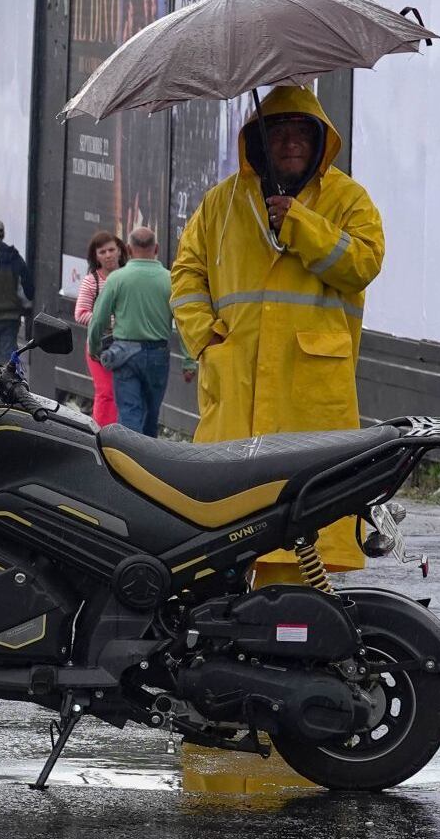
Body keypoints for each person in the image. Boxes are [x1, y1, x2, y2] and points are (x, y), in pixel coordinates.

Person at [172, 85, 384, 586]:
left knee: (303, 533)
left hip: (308, 398)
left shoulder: (347, 199)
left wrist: (301, 224)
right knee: (223, 534)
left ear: (320, 142)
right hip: (236, 391)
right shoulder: (221, 203)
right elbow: (186, 273)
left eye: (301, 133)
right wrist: (205, 338)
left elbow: (364, 264)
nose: (290, 143)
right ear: (258, 142)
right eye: (279, 132)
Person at [86, 227, 174, 436]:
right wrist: (189, 360)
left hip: (125, 355)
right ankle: (148, 460)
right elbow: (183, 319)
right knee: (151, 415)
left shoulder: (117, 279)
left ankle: (128, 461)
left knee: (129, 413)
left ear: (128, 249)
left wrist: (94, 346)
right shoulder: (171, 280)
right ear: (157, 249)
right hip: (158, 355)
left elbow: (99, 318)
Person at [74, 230, 128, 427]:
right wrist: (109, 321)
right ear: (95, 256)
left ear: (120, 251)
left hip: (128, 344)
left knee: (125, 391)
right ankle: (103, 433)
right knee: (106, 392)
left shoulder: (129, 276)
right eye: (102, 252)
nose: (108, 255)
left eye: (111, 250)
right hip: (101, 347)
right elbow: (80, 313)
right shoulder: (92, 281)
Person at [0, 220, 34, 369]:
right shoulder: (13, 257)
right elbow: (28, 286)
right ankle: (2, 389)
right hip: (8, 317)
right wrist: (28, 306)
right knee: (6, 360)